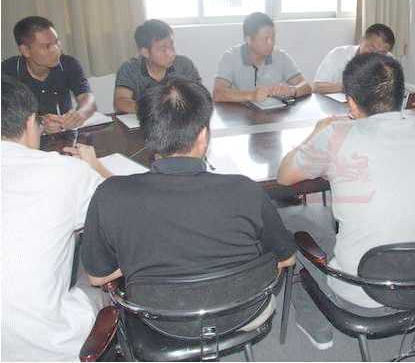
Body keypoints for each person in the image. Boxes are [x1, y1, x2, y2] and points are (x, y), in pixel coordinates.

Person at [277, 53, 415, 349]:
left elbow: (284, 176)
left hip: (363, 294)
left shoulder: (336, 135)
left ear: (352, 104)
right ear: (402, 95)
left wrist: (315, 134)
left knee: (291, 219)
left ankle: (317, 322)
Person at [82, 78, 295, 302]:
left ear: (148, 136)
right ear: (203, 136)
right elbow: (286, 259)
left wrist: (137, 264)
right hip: (242, 311)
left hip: (156, 316)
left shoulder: (110, 195)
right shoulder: (245, 191)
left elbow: (98, 277)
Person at [1, 76, 112, 361]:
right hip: (48, 344)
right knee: (97, 271)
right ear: (30, 122)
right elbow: (127, 212)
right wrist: (95, 168)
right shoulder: (64, 172)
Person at [2, 16, 97, 134]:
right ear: (25, 50)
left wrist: (80, 114)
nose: (56, 50)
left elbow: (88, 99)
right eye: (47, 46)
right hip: (25, 138)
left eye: (57, 42)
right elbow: (5, 117)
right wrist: (39, 123)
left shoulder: (68, 63)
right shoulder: (7, 72)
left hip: (65, 134)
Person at [213, 12, 312, 103]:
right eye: (266, 39)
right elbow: (218, 93)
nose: (271, 43)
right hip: (241, 114)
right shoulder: (230, 57)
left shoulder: (281, 56)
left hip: (275, 113)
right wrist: (252, 95)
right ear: (249, 39)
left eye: (273, 38)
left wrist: (292, 90)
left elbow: (306, 86)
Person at [114, 19, 201, 113]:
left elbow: (198, 96)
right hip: (143, 120)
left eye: (171, 45)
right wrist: (155, 109)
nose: (171, 53)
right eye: (163, 49)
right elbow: (121, 102)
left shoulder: (184, 65)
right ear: (145, 52)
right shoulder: (129, 69)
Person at [313, 23, 396, 94]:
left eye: (381, 52)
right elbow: (316, 87)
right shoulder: (338, 55)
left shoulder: (390, 61)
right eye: (372, 47)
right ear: (362, 40)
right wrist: (346, 87)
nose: (374, 55)